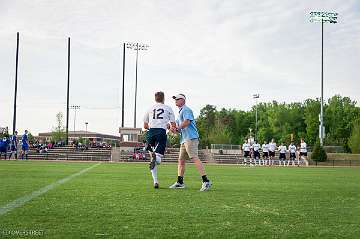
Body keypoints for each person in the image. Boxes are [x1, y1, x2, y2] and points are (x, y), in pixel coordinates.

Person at [169, 93, 212, 191]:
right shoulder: (180, 112)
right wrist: (172, 128)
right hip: (184, 139)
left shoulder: (186, 110)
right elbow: (177, 129)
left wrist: (177, 128)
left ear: (183, 100)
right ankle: (180, 182)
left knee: (194, 157)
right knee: (181, 161)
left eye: (177, 99)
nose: (175, 100)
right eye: (175, 99)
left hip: (191, 138)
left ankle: (206, 181)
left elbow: (187, 122)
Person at [143, 91, 176, 189]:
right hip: (161, 133)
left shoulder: (149, 108)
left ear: (155, 98)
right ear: (163, 98)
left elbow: (145, 125)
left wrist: (152, 128)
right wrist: (169, 127)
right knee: (158, 160)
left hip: (151, 133)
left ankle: (155, 182)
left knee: (153, 160)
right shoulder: (168, 108)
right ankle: (155, 158)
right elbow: (173, 126)